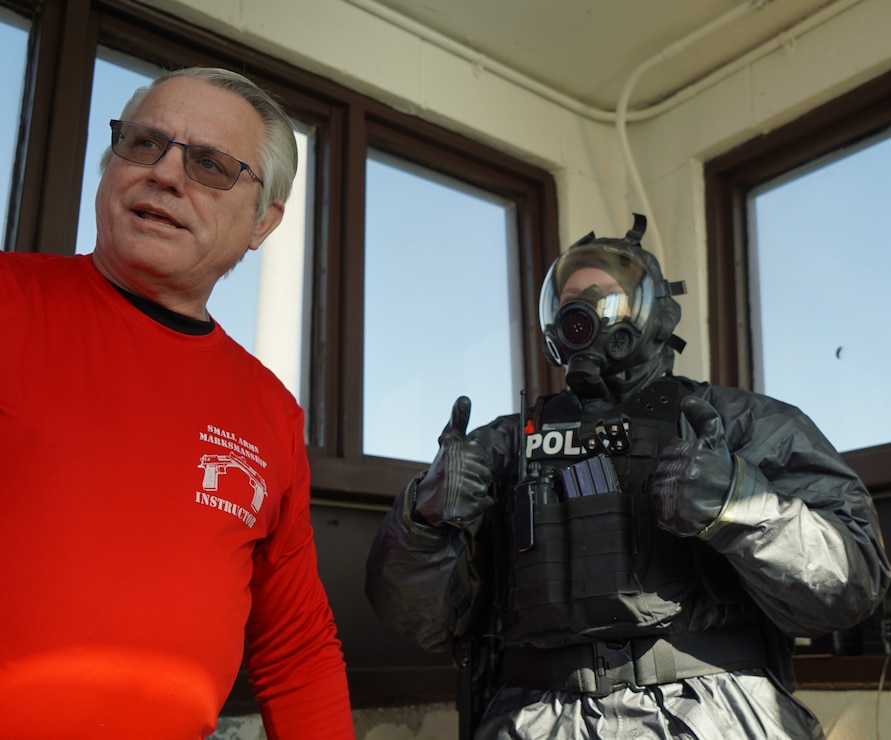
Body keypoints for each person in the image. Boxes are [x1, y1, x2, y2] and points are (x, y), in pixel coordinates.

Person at [365, 213, 890, 739]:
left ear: (654, 314)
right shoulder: (502, 446)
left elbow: (851, 587)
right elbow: (417, 617)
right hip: (533, 718)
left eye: (603, 296)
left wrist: (740, 505)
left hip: (713, 713)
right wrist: (422, 521)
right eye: (570, 297)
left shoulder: (742, 425)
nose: (583, 311)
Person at [0, 67, 354, 739]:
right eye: (142, 143)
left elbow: (296, 650)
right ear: (109, 164)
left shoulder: (270, 412)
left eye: (210, 164)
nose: (163, 174)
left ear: (261, 223)